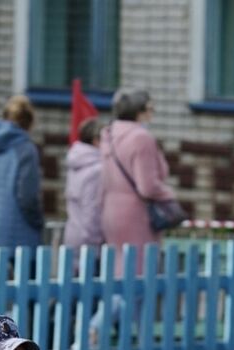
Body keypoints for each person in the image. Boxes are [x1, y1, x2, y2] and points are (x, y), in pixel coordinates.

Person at [100, 88, 176, 261]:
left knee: (117, 266)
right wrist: (168, 194)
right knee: (139, 269)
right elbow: (147, 187)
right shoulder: (141, 138)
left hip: (110, 210)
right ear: (139, 112)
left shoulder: (109, 135)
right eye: (150, 109)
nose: (152, 113)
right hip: (136, 213)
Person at [0, 95, 44, 248]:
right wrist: (38, 222)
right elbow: (27, 196)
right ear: (29, 122)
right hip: (16, 234)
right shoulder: (25, 150)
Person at [63, 117, 104, 248]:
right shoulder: (96, 170)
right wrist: (95, 241)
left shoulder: (76, 162)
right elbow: (91, 210)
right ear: (96, 141)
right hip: (88, 241)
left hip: (72, 233)